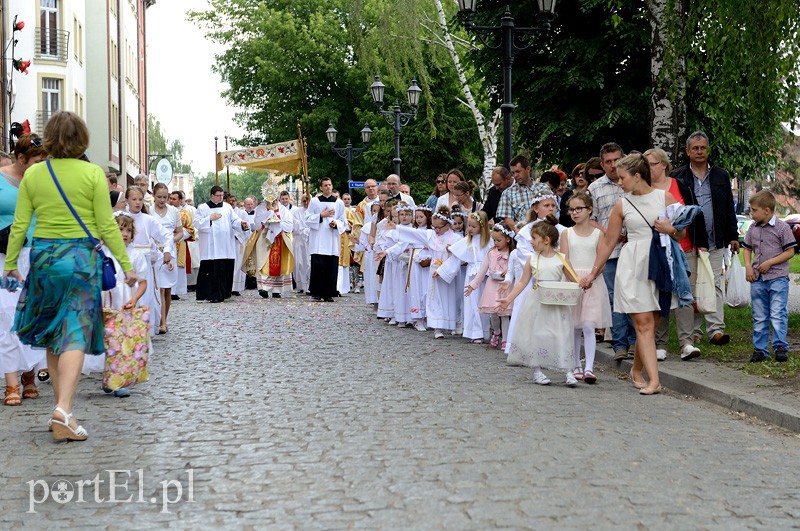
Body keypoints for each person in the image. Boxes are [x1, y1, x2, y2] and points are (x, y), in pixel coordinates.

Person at [4, 111, 136, 441]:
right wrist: (126, 265)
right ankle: (63, 408)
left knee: (51, 333)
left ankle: (63, 411)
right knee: (74, 332)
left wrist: (9, 263)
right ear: (82, 138)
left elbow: (20, 225)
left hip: (44, 258)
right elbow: (107, 224)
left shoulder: (34, 176)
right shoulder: (92, 173)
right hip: (79, 259)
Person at [582, 154, 685, 396]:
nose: (619, 182)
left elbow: (681, 233)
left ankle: (636, 371)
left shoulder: (664, 197)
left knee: (652, 322)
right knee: (643, 323)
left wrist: (670, 229)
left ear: (637, 176)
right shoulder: (622, 204)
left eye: (623, 178)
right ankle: (654, 381)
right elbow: (608, 243)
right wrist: (593, 273)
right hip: (632, 265)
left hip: (659, 263)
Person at [670, 131, 739, 347]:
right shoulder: (678, 176)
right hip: (689, 239)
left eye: (703, 148)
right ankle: (694, 332)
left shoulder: (721, 175)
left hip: (715, 239)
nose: (700, 152)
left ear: (707, 150)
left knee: (715, 283)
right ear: (687, 151)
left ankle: (716, 330)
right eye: (695, 148)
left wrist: (733, 235)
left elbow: (729, 207)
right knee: (692, 286)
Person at [498, 217, 581, 386]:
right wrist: (509, 298)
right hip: (537, 301)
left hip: (557, 302)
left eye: (534, 238)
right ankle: (537, 371)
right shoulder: (533, 259)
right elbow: (522, 282)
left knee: (562, 334)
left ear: (546, 240)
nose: (531, 242)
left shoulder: (561, 258)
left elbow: (574, 277)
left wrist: (583, 283)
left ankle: (568, 371)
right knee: (536, 334)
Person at [645, 147, 709, 361]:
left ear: (664, 164)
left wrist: (700, 243)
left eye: (652, 163)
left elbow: (694, 215)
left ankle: (687, 343)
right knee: (660, 294)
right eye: (645, 164)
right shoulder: (643, 190)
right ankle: (660, 344)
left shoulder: (680, 185)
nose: (648, 168)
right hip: (658, 251)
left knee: (684, 295)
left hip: (684, 246)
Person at [1, 134, 47, 406]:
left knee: (33, 315)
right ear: (21, 159)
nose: (41, 166)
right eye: (37, 161)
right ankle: (11, 383)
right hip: (6, 255)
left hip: (36, 254)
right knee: (7, 316)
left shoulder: (41, 181)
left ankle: (29, 375)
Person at [81, 212, 149, 397]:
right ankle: (108, 375)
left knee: (121, 341)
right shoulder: (102, 252)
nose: (125, 233)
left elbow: (143, 282)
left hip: (124, 302)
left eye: (128, 230)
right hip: (104, 299)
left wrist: (134, 299)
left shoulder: (135, 254)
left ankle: (116, 381)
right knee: (106, 339)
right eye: (120, 229)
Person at [588, 142, 636, 361]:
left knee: (635, 295)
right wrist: (611, 233)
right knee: (614, 297)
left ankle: (637, 341)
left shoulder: (634, 182)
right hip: (610, 251)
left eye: (617, 160)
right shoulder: (595, 188)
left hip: (634, 248)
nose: (613, 165)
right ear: (602, 163)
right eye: (608, 162)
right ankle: (620, 343)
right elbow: (590, 220)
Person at [560, 193, 612, 384]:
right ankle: (576, 365)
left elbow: (602, 259)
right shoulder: (567, 233)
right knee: (574, 326)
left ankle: (589, 366)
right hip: (573, 282)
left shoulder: (599, 234)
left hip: (592, 282)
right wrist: (575, 278)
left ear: (589, 209)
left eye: (579, 208)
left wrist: (591, 277)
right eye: (571, 209)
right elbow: (565, 259)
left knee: (589, 324)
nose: (574, 213)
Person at [743, 191, 797, 363]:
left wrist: (770, 263)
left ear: (767, 210)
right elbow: (747, 248)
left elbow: (790, 251)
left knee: (778, 313)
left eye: (754, 210)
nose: (751, 214)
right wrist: (748, 268)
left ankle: (780, 346)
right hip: (758, 280)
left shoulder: (782, 228)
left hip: (778, 278)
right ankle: (760, 349)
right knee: (759, 314)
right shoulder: (752, 228)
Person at [396, 206, 460, 338]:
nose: (436, 230)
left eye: (439, 227)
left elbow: (457, 257)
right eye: (434, 227)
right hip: (434, 271)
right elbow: (414, 234)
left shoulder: (455, 238)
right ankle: (437, 327)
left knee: (450, 299)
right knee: (435, 298)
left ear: (447, 225)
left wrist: (445, 268)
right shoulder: (431, 235)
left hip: (448, 273)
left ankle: (451, 324)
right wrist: (396, 228)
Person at [126, 186, 173, 336]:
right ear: (127, 200)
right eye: (134, 199)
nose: (138, 203)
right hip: (126, 262)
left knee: (145, 296)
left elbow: (166, 235)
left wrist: (167, 251)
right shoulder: (122, 217)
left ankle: (144, 329)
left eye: (140, 199)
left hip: (144, 263)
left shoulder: (148, 220)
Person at [465, 222, 515, 349]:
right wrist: (473, 285)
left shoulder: (512, 254)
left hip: (506, 287)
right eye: (494, 240)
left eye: (499, 240)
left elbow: (516, 269)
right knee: (494, 314)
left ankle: (505, 339)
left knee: (504, 314)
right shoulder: (491, 253)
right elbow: (482, 271)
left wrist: (509, 271)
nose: (496, 243)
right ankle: (496, 332)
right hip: (492, 286)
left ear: (508, 239)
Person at [444, 211, 492, 343]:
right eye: (469, 226)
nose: (470, 229)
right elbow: (455, 258)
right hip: (471, 276)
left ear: (482, 227)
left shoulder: (489, 241)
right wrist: (443, 270)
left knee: (483, 303)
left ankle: (484, 331)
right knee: (472, 304)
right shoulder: (466, 241)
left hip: (486, 276)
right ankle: (475, 332)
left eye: (473, 226)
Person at [194, 186, 247, 303]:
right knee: (212, 270)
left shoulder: (227, 207)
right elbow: (196, 223)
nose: (221, 198)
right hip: (210, 247)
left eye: (222, 196)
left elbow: (234, 220)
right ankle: (212, 294)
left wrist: (241, 223)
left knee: (224, 270)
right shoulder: (203, 208)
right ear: (212, 196)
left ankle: (224, 293)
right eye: (218, 196)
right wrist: (209, 218)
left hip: (225, 244)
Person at [305, 178, 347, 302]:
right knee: (318, 266)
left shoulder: (339, 202)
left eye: (330, 185)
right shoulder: (314, 201)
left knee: (330, 266)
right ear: (321, 188)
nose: (328, 187)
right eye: (325, 185)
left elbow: (343, 220)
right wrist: (320, 216)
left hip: (332, 238)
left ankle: (329, 292)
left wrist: (336, 224)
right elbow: (307, 218)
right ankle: (317, 292)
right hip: (318, 239)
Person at [247, 197, 294, 299]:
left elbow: (290, 224)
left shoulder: (283, 209)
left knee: (279, 262)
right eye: (270, 199)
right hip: (264, 239)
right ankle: (263, 288)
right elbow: (257, 223)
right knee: (263, 262)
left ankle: (277, 290)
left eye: (275, 199)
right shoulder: (260, 208)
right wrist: (269, 214)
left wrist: (278, 222)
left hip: (279, 239)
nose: (273, 202)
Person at [150, 183, 182, 333]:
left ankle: (165, 318)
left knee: (167, 288)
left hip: (170, 252)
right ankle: (160, 322)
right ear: (154, 196)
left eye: (165, 197)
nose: (162, 200)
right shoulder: (149, 211)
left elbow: (180, 232)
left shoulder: (174, 211)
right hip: (155, 252)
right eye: (159, 197)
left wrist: (170, 241)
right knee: (159, 288)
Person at [496, 155, 550, 231]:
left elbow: (553, 212)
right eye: (513, 173)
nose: (515, 175)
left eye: (518, 171)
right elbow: (509, 221)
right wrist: (523, 235)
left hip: (545, 233)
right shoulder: (508, 193)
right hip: (522, 236)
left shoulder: (543, 188)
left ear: (528, 169)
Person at [292, 194, 311, 294]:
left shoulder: (313, 211)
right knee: (299, 263)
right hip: (299, 239)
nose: (306, 203)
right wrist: (304, 230)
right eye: (304, 201)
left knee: (308, 263)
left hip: (310, 240)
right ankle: (300, 285)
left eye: (308, 200)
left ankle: (309, 285)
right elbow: (295, 224)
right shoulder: (297, 212)